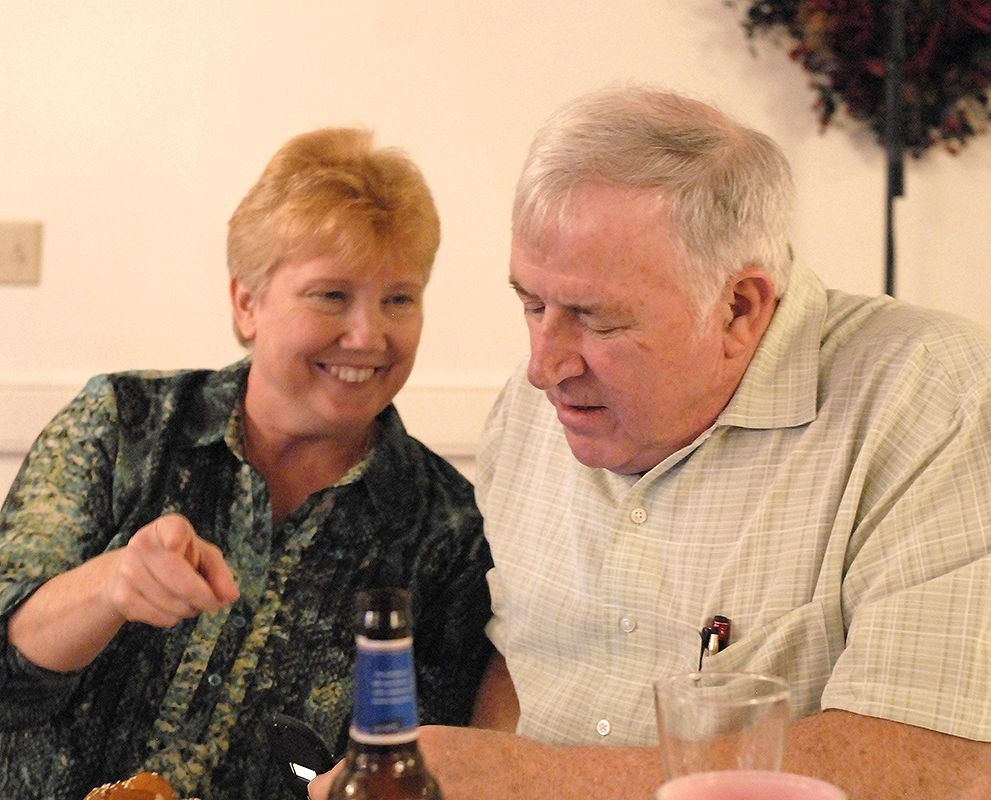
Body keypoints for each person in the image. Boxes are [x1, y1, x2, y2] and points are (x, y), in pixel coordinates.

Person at [307, 86, 991, 800]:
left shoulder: (935, 402)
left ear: (738, 307)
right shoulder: (530, 408)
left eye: (596, 321)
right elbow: (519, 668)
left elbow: (936, 766)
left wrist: (535, 782)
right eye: (531, 305)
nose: (545, 368)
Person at [0, 127, 493, 800]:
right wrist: (112, 585)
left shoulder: (446, 529)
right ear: (246, 302)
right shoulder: (125, 425)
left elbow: (418, 772)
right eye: (331, 295)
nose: (370, 335)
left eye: (399, 299)